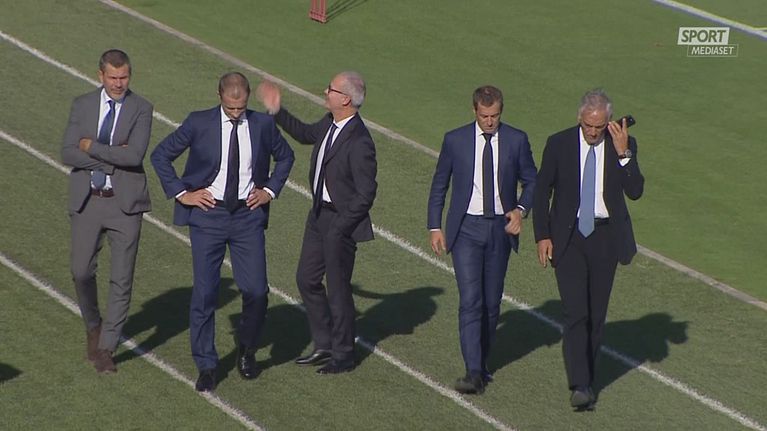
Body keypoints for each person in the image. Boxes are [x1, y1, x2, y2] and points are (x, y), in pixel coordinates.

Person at [151, 72, 294, 392]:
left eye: (241, 108)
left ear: (247, 99)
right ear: (219, 97)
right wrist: (183, 194)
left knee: (257, 290)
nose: (236, 113)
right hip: (208, 216)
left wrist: (270, 191)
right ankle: (206, 364)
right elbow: (160, 155)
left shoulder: (262, 125)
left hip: (247, 217)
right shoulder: (198, 122)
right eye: (230, 108)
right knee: (205, 293)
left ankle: (247, 349)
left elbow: (286, 157)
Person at [257, 71, 377, 374]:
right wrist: (277, 110)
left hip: (340, 223)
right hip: (318, 215)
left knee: (337, 290)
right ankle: (324, 342)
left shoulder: (360, 141)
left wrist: (341, 226)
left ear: (345, 99)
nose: (325, 92)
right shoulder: (329, 123)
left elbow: (366, 193)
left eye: (331, 89)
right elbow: (304, 134)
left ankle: (344, 354)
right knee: (306, 279)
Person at [532, 89, 644, 410]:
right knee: (576, 311)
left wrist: (624, 155)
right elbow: (542, 191)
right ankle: (580, 384)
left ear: (609, 121)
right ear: (579, 118)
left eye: (599, 126)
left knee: (596, 315)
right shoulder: (559, 143)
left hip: (606, 238)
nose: (593, 133)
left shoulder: (623, 144)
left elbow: (635, 190)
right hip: (568, 238)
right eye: (588, 126)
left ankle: (588, 380)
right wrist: (542, 235)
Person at [427, 85, 537, 394]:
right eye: (485, 116)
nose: (490, 122)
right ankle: (473, 371)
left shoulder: (516, 140)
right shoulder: (455, 140)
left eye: (495, 116)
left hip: (500, 230)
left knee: (491, 303)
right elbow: (439, 184)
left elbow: (532, 180)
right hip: (466, 229)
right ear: (474, 111)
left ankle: (482, 363)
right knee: (471, 300)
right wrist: (434, 226)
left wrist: (520, 210)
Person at [61, 49, 153, 374]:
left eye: (123, 77)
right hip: (88, 200)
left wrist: (92, 147)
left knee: (122, 278)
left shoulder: (142, 108)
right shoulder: (82, 104)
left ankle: (106, 348)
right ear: (100, 75)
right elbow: (67, 152)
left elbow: (135, 156)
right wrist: (111, 158)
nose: (118, 83)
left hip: (124, 205)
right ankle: (93, 324)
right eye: (113, 77)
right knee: (80, 271)